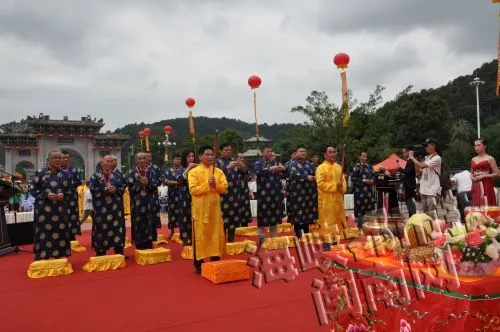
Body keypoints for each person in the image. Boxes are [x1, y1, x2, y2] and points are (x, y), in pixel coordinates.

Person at [188, 145, 228, 274]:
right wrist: (207, 184)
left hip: (215, 210)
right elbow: (193, 190)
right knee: (200, 236)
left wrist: (215, 184)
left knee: (215, 234)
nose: (210, 157)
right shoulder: (193, 172)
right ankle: (199, 264)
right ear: (200, 156)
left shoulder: (218, 171)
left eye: (212, 154)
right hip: (200, 211)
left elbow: (224, 188)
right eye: (207, 154)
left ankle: (215, 260)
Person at [30, 149, 73, 260]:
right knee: (44, 232)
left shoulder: (66, 175)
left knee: (61, 231)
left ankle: (60, 256)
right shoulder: (40, 173)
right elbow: (33, 190)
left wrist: (64, 194)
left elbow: (71, 191)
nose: (58, 160)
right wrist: (46, 195)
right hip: (44, 210)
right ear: (48, 160)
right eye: (55, 158)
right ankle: (43, 257)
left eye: (59, 157)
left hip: (60, 209)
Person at [89, 155, 126, 256]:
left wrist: (116, 190)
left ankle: (119, 252)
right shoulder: (95, 176)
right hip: (101, 209)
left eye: (111, 161)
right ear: (102, 163)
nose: (110, 163)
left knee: (117, 229)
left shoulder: (118, 176)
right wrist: (105, 190)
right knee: (101, 229)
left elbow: (122, 187)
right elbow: (92, 189)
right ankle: (101, 253)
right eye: (107, 161)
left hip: (115, 209)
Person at [216, 143, 249, 242]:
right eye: (226, 150)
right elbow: (215, 176)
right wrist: (228, 167)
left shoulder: (234, 162)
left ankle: (231, 240)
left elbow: (246, 175)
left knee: (233, 217)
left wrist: (242, 168)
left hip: (234, 193)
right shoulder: (217, 162)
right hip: (222, 194)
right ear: (220, 151)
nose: (229, 152)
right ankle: (221, 241)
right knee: (222, 217)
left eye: (230, 150)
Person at [254, 146, 287, 246]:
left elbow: (284, 175)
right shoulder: (258, 163)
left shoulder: (275, 163)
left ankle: (274, 240)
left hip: (275, 195)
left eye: (271, 151)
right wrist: (269, 169)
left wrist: (283, 168)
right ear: (262, 152)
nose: (270, 153)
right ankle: (262, 240)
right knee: (262, 218)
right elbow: (258, 171)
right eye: (267, 151)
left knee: (274, 218)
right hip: (263, 195)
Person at [316, 146, 346, 250]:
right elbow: (321, 184)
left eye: (334, 152)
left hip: (338, 203)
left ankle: (336, 250)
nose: (333, 154)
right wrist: (335, 186)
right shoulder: (320, 168)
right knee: (327, 227)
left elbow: (344, 182)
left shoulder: (339, 167)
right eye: (330, 152)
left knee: (338, 227)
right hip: (326, 204)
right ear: (325, 154)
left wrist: (341, 186)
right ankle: (327, 252)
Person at [127, 153, 159, 250]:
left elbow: (155, 186)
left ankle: (149, 243)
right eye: (139, 158)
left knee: (149, 221)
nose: (142, 160)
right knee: (138, 221)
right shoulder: (132, 173)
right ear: (136, 160)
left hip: (149, 202)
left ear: (147, 160)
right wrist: (140, 184)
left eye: (144, 158)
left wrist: (148, 183)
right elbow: (130, 188)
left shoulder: (151, 172)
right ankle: (139, 245)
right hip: (137, 203)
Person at [286, 146, 318, 238]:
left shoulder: (309, 164)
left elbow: (316, 174)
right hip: (296, 194)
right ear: (296, 153)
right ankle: (299, 236)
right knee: (298, 215)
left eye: (304, 151)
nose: (303, 153)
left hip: (308, 194)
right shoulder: (292, 164)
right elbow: (294, 174)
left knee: (307, 215)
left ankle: (307, 235)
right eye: (301, 151)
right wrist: (306, 177)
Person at [409, 138, 441, 220]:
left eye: (427, 146)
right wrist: (416, 160)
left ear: (433, 146)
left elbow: (422, 166)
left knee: (433, 213)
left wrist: (412, 157)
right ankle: (429, 229)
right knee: (426, 213)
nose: (425, 148)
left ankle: (436, 229)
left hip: (432, 190)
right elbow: (419, 172)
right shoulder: (427, 158)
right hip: (424, 189)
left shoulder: (437, 158)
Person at [165, 153, 191, 243]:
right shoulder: (168, 170)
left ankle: (182, 232)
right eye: (176, 159)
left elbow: (185, 181)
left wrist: (176, 182)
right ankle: (172, 231)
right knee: (172, 212)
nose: (178, 161)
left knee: (182, 213)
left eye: (179, 159)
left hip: (183, 194)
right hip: (172, 195)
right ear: (172, 160)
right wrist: (179, 182)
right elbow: (166, 181)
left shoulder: (184, 169)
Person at [61, 151, 83, 240]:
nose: (65, 159)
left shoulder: (74, 170)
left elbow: (79, 181)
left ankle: (72, 235)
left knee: (72, 216)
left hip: (72, 198)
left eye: (67, 157)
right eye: (63, 158)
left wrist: (68, 185)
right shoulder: (57, 170)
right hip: (60, 198)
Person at [471, 138, 500, 206]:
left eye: (478, 145)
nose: (476, 147)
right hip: (475, 185)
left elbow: (498, 173)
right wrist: (472, 177)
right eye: (475, 146)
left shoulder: (490, 159)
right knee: (476, 204)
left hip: (486, 184)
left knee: (486, 204)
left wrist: (484, 175)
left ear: (485, 146)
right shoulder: (473, 159)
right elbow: (471, 173)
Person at [351, 152, 375, 228]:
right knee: (360, 209)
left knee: (369, 208)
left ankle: (370, 226)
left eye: (366, 156)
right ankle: (360, 226)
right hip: (360, 192)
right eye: (363, 156)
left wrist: (372, 180)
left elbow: (373, 176)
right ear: (360, 157)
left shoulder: (369, 166)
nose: (365, 158)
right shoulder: (356, 167)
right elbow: (353, 178)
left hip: (369, 192)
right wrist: (364, 181)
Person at [398, 146, 417, 217]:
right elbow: (407, 174)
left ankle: (413, 214)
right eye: (402, 152)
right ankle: (410, 213)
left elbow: (408, 172)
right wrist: (401, 178)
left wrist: (400, 169)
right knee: (407, 199)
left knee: (410, 199)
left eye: (404, 152)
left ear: (408, 152)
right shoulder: (409, 161)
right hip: (408, 183)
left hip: (410, 184)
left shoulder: (410, 161)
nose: (403, 154)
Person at [145, 152, 162, 231]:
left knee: (154, 211)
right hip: (143, 194)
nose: (148, 158)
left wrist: (152, 186)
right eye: (146, 156)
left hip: (153, 193)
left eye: (149, 156)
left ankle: (154, 233)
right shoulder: (140, 168)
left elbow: (160, 180)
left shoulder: (156, 168)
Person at [236, 153, 253, 227]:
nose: (242, 159)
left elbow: (249, 178)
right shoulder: (232, 166)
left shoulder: (245, 167)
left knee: (245, 208)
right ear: (236, 158)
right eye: (240, 157)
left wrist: (243, 170)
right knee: (236, 209)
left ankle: (245, 226)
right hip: (235, 192)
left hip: (244, 191)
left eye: (243, 158)